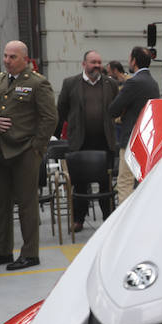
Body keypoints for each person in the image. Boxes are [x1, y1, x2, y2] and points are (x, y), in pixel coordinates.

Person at [0, 40, 57, 271]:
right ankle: (2, 251)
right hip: (0, 150)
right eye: (5, 56)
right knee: (0, 203)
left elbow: (50, 117)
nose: (7, 60)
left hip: (25, 151)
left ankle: (30, 254)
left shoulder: (37, 83)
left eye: (12, 57)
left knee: (27, 204)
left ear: (25, 59)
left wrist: (37, 147)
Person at [56, 49, 119, 230]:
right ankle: (78, 219)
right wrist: (71, 125)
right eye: (93, 62)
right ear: (84, 64)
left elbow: (115, 108)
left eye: (99, 62)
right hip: (80, 142)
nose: (97, 65)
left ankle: (109, 219)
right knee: (80, 183)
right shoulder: (70, 84)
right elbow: (62, 109)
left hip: (104, 141)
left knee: (105, 183)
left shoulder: (111, 84)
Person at [109, 46, 158, 204]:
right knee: (142, 182)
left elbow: (113, 109)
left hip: (131, 139)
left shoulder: (133, 82)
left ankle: (124, 223)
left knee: (124, 183)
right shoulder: (153, 83)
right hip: (146, 139)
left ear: (134, 61)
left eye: (130, 58)